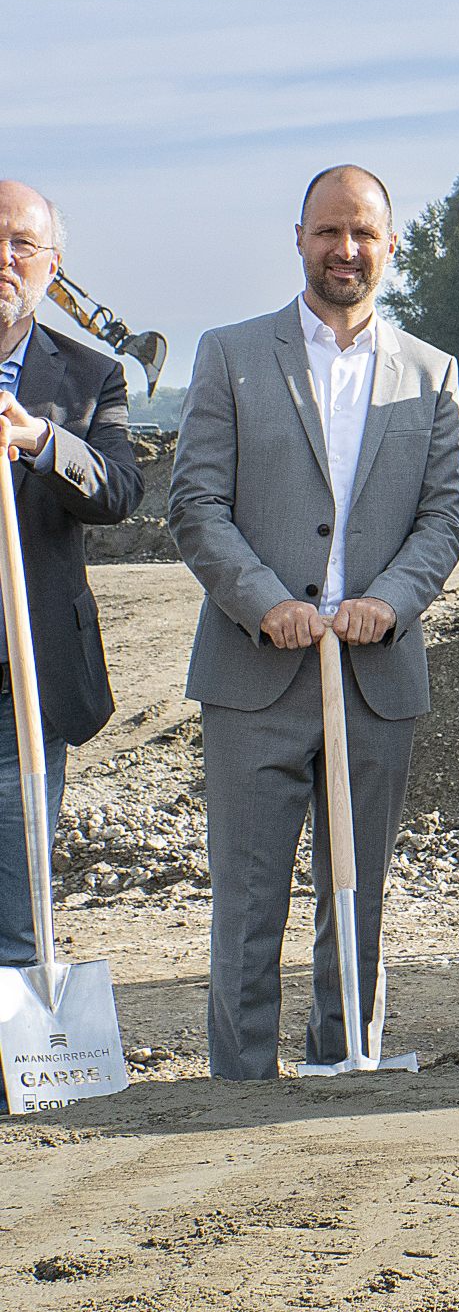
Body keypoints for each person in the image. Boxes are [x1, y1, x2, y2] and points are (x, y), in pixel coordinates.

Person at [169, 165, 459, 1080]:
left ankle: (346, 1060)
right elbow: (196, 504)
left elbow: (444, 518)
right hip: (256, 674)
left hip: (376, 674)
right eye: (329, 232)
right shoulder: (230, 354)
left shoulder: (431, 372)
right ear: (299, 237)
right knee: (249, 899)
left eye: (364, 235)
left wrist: (392, 600)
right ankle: (242, 1081)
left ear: (389, 245)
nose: (346, 251)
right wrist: (268, 603)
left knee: (359, 894)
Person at [0, 181, 143, 980]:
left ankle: (16, 1083)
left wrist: (41, 440)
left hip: (23, 690)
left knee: (20, 913)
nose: (5, 258)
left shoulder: (91, 377)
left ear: (53, 267)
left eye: (23, 244)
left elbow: (120, 491)